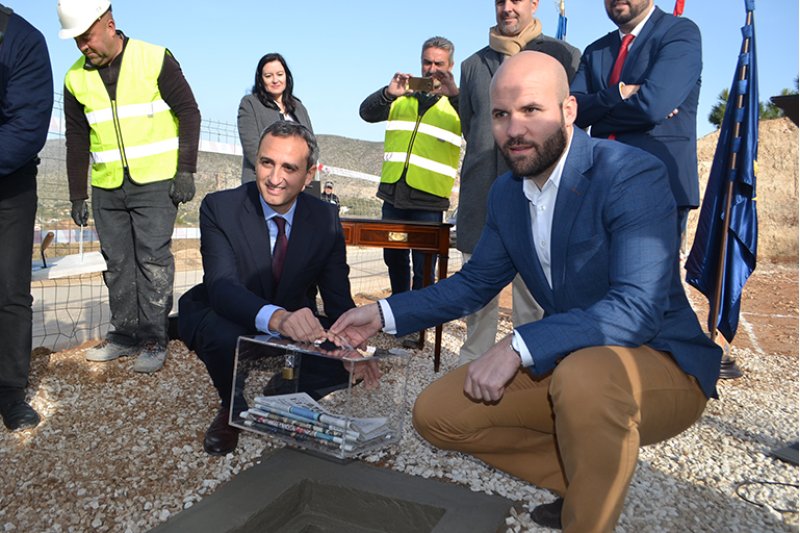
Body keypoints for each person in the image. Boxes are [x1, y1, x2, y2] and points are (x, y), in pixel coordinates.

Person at [331, 51, 722, 532]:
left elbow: (636, 309)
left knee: (584, 377)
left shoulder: (629, 174)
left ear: (569, 111)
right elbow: (475, 283)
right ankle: (587, 473)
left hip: (661, 362)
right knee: (437, 416)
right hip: (571, 360)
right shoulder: (506, 193)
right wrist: (383, 314)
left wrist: (520, 346)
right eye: (501, 114)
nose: (514, 129)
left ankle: (588, 515)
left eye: (531, 110)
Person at [178, 121, 355, 456]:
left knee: (345, 364)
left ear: (309, 175)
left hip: (292, 323)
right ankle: (233, 407)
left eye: (289, 167)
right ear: (256, 161)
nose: (275, 178)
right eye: (267, 163)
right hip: (230, 313)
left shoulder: (325, 218)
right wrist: (278, 319)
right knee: (221, 336)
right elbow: (222, 285)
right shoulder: (220, 207)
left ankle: (281, 391)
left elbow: (337, 297)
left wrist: (352, 346)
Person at [58, 0, 200, 373]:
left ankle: (154, 338)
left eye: (86, 37)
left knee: (152, 259)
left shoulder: (154, 58)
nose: (83, 47)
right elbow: (77, 138)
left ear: (109, 23)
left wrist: (186, 170)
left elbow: (188, 111)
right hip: (107, 185)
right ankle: (124, 334)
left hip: (155, 182)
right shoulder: (75, 78)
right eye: (76, 41)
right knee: (118, 262)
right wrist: (77, 193)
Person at [455, 0, 581, 364]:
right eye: (500, 1)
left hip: (539, 196)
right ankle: (471, 367)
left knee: (534, 298)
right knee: (478, 297)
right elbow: (473, 126)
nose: (507, 8)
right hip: (482, 198)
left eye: (516, 0)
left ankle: (532, 368)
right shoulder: (472, 65)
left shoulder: (564, 57)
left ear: (534, 4)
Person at [570, 0, 701, 239]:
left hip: (656, 186)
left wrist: (598, 117)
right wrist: (620, 93)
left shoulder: (678, 33)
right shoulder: (595, 51)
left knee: (645, 276)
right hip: (600, 185)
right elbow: (573, 112)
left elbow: (652, 106)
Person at [359, 36, 461, 296]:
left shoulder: (457, 104)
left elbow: (478, 128)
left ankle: (419, 321)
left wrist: (458, 97)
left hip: (429, 200)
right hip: (393, 196)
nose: (432, 68)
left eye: (439, 63)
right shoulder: (402, 98)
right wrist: (388, 93)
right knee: (394, 260)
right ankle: (399, 311)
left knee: (424, 268)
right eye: (427, 62)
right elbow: (366, 113)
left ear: (450, 66)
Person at [0, 4, 53, 431]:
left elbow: (27, 125)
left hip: (9, 187)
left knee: (9, 289)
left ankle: (10, 392)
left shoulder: (22, 41)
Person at [238, 53, 313, 184]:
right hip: (263, 183)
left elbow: (311, 145)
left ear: (287, 76)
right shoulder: (250, 104)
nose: (275, 80)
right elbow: (252, 148)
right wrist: (278, 173)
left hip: (297, 184)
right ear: (260, 79)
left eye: (279, 74)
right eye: (268, 76)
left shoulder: (299, 108)